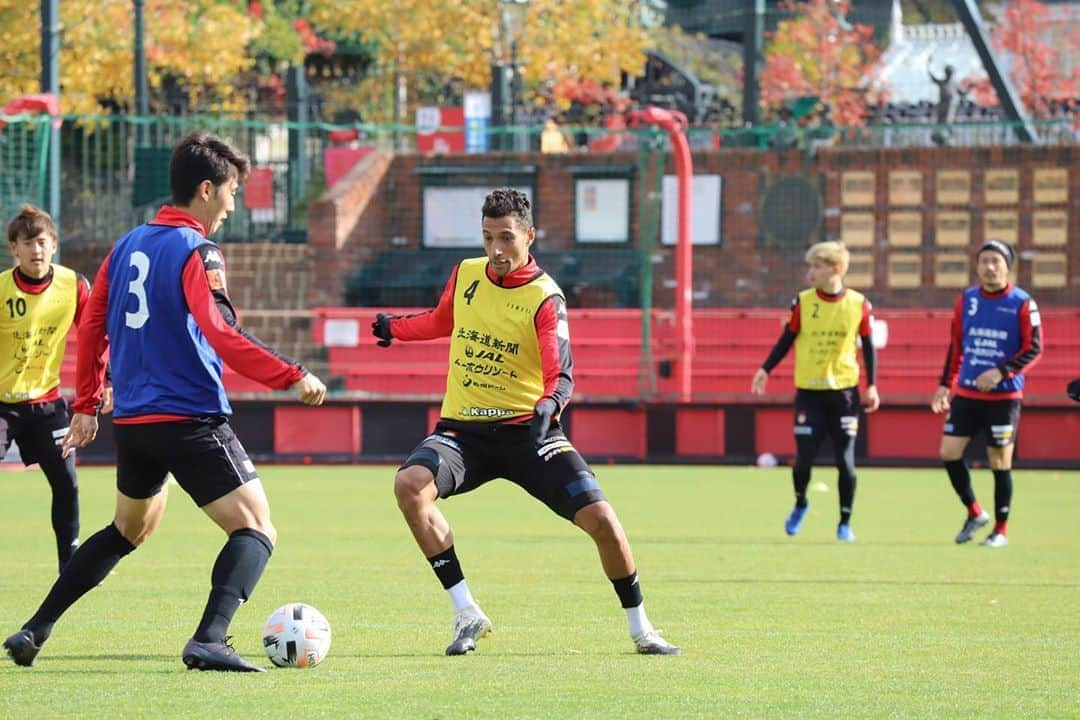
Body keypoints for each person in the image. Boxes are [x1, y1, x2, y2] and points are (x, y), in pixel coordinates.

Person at [3, 131, 327, 671]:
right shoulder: (197, 250)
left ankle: (34, 629)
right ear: (205, 189)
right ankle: (209, 638)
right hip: (189, 417)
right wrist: (291, 374)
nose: (232, 203)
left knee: (126, 530)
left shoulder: (126, 245)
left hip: (134, 422)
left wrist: (87, 404)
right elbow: (223, 333)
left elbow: (92, 326)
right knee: (256, 530)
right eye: (230, 191)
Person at [372, 188, 679, 656]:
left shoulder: (545, 297)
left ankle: (642, 629)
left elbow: (562, 375)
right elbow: (441, 320)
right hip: (464, 431)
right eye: (488, 237)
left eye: (507, 239)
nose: (496, 250)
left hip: (528, 433)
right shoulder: (467, 273)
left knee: (603, 520)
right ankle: (466, 612)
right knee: (410, 485)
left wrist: (547, 407)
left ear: (529, 236)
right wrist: (394, 328)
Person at [2, 205, 111, 573]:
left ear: (54, 246)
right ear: (13, 249)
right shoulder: (1, 291)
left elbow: (95, 335)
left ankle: (70, 563)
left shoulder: (73, 284)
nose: (35, 250)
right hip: (2, 404)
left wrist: (106, 381)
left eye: (41, 242)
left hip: (46, 403)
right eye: (26, 243)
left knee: (67, 484)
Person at [751, 241, 879, 542]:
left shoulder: (859, 304)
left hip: (845, 393)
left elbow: (869, 347)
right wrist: (765, 369)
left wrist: (871, 385)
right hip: (809, 392)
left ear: (835, 269)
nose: (810, 273)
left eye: (816, 267)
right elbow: (787, 339)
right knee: (804, 458)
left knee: (845, 460)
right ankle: (800, 503)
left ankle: (845, 522)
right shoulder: (803, 302)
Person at [931, 240, 1042, 548]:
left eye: (996, 261)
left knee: (999, 461)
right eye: (984, 261)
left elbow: (1034, 348)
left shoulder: (1023, 302)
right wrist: (946, 384)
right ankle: (975, 511)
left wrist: (1001, 372)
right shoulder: (966, 299)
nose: (989, 267)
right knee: (948, 452)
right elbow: (957, 345)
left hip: (1003, 399)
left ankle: (1001, 531)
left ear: (1008, 266)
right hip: (967, 394)